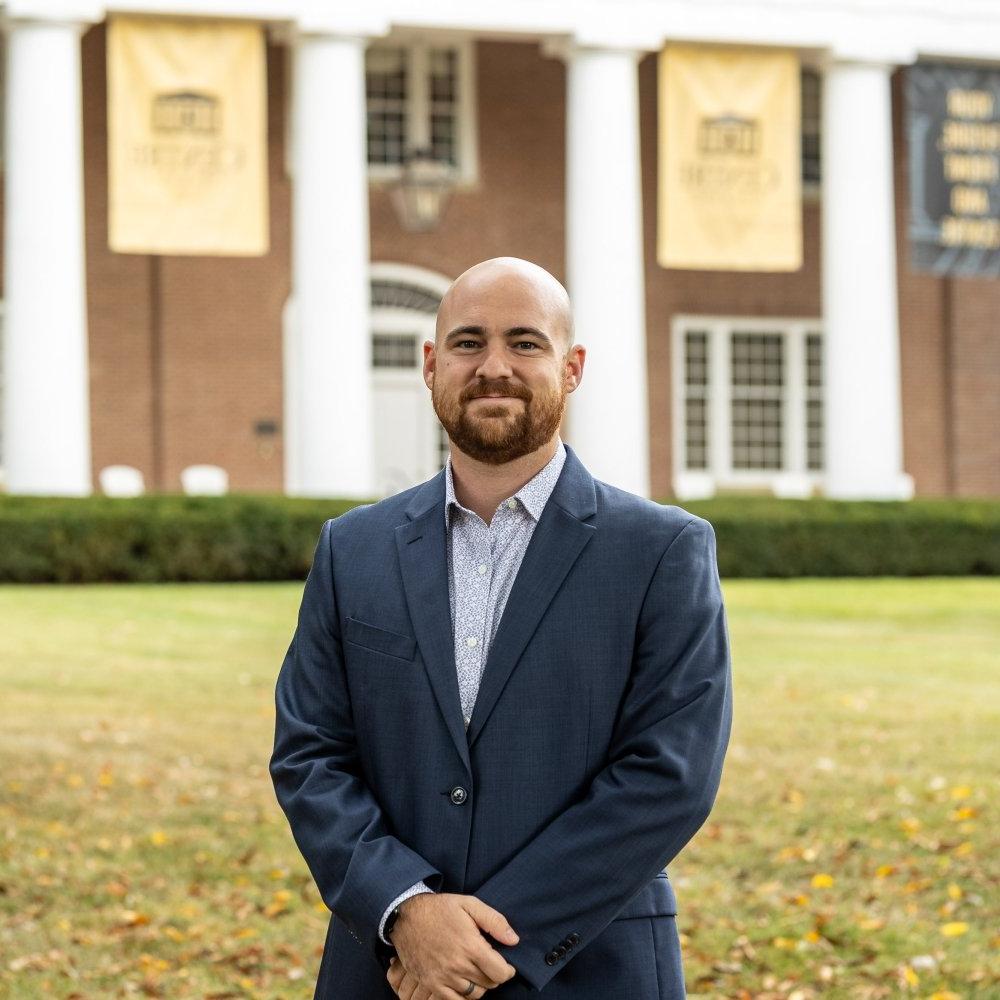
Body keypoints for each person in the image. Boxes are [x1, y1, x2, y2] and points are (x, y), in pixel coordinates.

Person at [270, 257, 733, 999]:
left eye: (525, 343)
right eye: (467, 343)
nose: (494, 367)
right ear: (430, 365)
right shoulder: (352, 549)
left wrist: (474, 940)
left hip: (589, 969)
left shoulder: (661, 550)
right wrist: (408, 910)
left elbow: (668, 774)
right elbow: (310, 754)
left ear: (572, 366)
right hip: (389, 966)